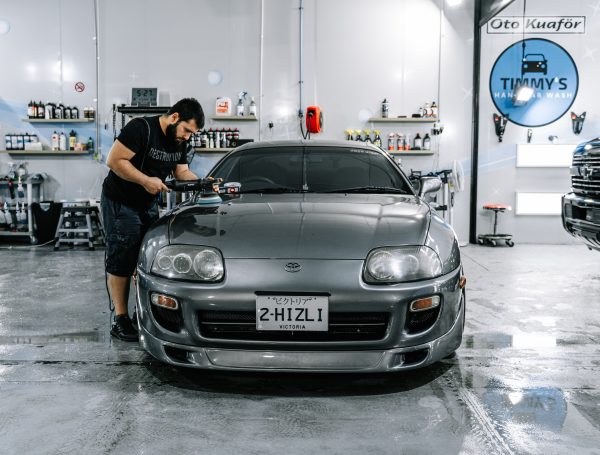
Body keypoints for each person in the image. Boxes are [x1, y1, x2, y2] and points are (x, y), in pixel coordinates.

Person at [101, 98, 204, 341]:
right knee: (122, 258)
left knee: (146, 257)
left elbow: (182, 172)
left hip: (146, 204)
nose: (188, 137)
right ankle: (120, 319)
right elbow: (115, 161)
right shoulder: (141, 129)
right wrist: (145, 180)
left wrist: (202, 183)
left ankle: (142, 312)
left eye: (192, 133)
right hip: (120, 201)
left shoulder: (177, 142)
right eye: (187, 130)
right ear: (174, 117)